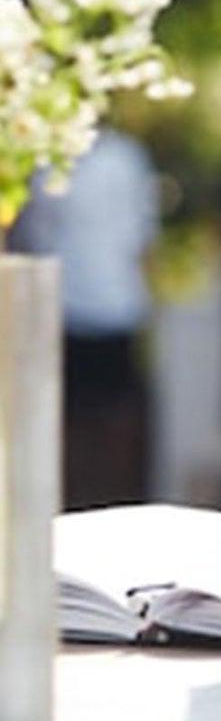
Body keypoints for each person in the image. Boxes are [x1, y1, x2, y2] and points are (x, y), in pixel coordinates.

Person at [11, 127, 160, 508]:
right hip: (68, 310)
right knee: (72, 424)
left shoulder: (122, 157)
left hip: (110, 309)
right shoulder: (48, 160)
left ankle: (111, 506)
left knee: (109, 424)